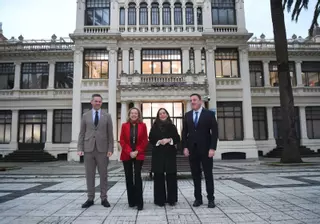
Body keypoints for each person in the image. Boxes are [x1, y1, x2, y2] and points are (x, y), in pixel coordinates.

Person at [77, 94, 114, 208]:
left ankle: (104, 198)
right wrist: (80, 148)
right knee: (90, 175)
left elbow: (110, 134)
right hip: (88, 149)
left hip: (102, 150)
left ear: (101, 103)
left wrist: (110, 149)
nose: (98, 103)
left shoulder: (107, 116)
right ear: (91, 102)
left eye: (100, 101)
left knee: (103, 175)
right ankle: (90, 198)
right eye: (96, 101)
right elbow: (82, 133)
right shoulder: (85, 116)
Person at [182, 93, 218, 208]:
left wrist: (212, 148)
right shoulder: (187, 115)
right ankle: (198, 198)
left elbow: (215, 132)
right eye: (191, 100)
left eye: (194, 100)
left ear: (200, 101)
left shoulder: (209, 114)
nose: (192, 102)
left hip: (207, 150)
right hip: (193, 150)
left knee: (208, 175)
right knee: (195, 175)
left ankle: (211, 199)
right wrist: (185, 147)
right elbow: (184, 133)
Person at [149, 108, 180, 207]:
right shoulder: (154, 127)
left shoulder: (172, 126)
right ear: (158, 116)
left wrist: (169, 140)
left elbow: (177, 138)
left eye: (164, 113)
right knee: (158, 177)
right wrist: (159, 141)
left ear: (167, 114)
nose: (162, 115)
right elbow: (151, 138)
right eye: (160, 114)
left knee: (171, 176)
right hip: (158, 154)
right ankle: (159, 200)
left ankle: (172, 199)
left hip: (170, 154)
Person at [120, 107, 148, 211]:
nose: (134, 115)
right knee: (128, 177)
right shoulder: (124, 126)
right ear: (129, 114)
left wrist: (137, 151)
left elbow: (145, 140)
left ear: (138, 115)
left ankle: (139, 202)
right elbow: (122, 140)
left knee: (137, 177)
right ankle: (131, 201)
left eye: (136, 113)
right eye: (132, 113)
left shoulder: (143, 125)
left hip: (138, 154)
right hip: (127, 154)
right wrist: (129, 152)